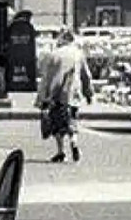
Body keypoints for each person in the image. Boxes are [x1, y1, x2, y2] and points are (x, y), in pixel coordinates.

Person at [37, 28, 94, 163]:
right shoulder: (78, 54)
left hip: (56, 94)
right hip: (73, 93)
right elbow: (86, 75)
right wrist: (89, 93)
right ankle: (74, 142)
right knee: (72, 120)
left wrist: (42, 98)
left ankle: (60, 151)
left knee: (57, 124)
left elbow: (47, 78)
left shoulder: (53, 55)